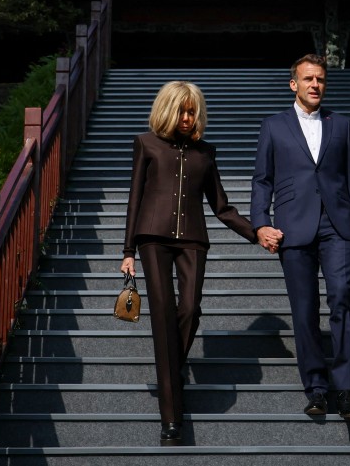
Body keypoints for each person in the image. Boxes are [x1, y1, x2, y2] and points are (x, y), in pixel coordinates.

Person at [120, 81, 260, 446]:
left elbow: (222, 206)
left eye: (192, 111)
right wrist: (127, 251)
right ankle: (171, 419)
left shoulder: (206, 153)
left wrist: (257, 232)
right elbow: (135, 197)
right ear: (167, 110)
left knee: (190, 310)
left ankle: (169, 371)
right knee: (163, 314)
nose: (187, 117)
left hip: (194, 241)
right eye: (181, 110)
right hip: (152, 238)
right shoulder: (146, 144)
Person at [250, 54, 350, 420]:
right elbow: (262, 180)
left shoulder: (341, 124)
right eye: (308, 79)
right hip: (293, 226)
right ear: (294, 84)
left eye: (320, 79)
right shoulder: (273, 125)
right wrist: (260, 224)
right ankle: (317, 388)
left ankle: (346, 388)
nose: (315, 84)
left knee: (342, 297)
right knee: (304, 311)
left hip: (338, 226)